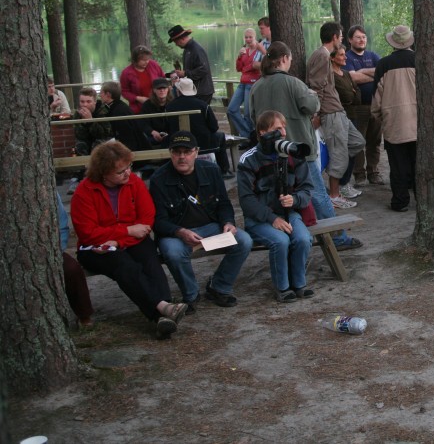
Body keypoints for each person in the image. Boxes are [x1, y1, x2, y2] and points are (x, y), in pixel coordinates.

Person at [70, 141, 188, 338]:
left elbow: (146, 221)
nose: (127, 173)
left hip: (130, 241)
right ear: (103, 173)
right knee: (124, 265)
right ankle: (162, 310)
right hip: (94, 248)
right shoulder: (84, 192)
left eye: (129, 167)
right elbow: (88, 233)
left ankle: (163, 316)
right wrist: (127, 230)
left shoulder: (134, 182)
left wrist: (119, 240)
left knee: (150, 261)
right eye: (120, 171)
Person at [149, 131, 252, 310]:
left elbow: (224, 204)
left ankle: (219, 287)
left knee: (244, 241)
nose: (182, 157)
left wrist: (228, 222)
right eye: (177, 152)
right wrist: (180, 232)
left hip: (210, 227)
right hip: (176, 233)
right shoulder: (159, 179)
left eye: (187, 152)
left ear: (196, 152)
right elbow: (158, 221)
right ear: (170, 153)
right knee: (173, 253)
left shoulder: (211, 170)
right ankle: (191, 295)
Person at [250, 41, 343, 234]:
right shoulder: (293, 83)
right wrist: (312, 94)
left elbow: (252, 117)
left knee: (279, 195)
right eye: (290, 59)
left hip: (270, 154)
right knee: (317, 193)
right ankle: (338, 236)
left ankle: (289, 232)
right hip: (298, 150)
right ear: (285, 58)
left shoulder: (257, 86)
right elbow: (312, 106)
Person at [238, 111, 316, 303]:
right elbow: (246, 200)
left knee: (303, 239)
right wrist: (272, 218)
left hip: (289, 213)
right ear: (263, 132)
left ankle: (299, 284)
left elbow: (307, 189)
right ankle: (282, 287)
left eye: (284, 128)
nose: (283, 133)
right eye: (277, 129)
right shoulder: (249, 159)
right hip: (260, 218)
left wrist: (294, 200)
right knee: (280, 241)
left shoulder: (292, 153)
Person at [307, 22, 366, 209]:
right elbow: (316, 87)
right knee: (339, 153)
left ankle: (336, 176)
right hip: (330, 113)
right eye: (340, 36)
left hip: (338, 110)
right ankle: (334, 195)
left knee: (357, 142)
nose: (341, 39)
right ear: (334, 37)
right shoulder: (321, 56)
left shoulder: (324, 55)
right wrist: (316, 113)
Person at [372, 25, 418, 212]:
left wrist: (378, 116)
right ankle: (423, 200)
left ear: (393, 42)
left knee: (397, 165)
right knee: (418, 163)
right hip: (418, 121)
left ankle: (400, 201)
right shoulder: (419, 60)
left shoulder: (383, 64)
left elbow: (377, 96)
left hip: (393, 121)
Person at [343, 25, 384, 185]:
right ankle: (359, 175)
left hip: (376, 105)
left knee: (375, 141)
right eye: (358, 37)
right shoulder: (347, 57)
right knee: (358, 142)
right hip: (358, 107)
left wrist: (362, 71)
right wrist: (373, 74)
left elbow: (383, 73)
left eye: (364, 37)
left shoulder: (373, 55)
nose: (362, 40)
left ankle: (373, 172)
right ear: (350, 40)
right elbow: (352, 78)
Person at [166, 77, 232, 177]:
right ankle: (224, 170)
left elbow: (166, 128)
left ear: (178, 91)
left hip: (177, 142)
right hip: (203, 144)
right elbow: (214, 127)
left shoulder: (169, 107)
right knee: (221, 136)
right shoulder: (203, 105)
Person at [331, 44, 363, 199]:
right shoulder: (331, 76)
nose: (345, 57)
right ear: (332, 58)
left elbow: (357, 96)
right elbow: (347, 96)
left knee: (357, 144)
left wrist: (352, 94)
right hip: (340, 116)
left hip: (352, 115)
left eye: (345, 54)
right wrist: (351, 94)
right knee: (341, 151)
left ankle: (345, 182)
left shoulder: (346, 74)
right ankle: (341, 184)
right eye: (341, 55)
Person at [58, 193, 94, 327]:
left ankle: (84, 315)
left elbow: (62, 226)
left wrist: (57, 249)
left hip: (49, 250)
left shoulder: (48, 191)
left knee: (72, 269)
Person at [227, 28, 263, 139]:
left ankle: (248, 138)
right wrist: (239, 57)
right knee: (231, 109)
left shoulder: (259, 51)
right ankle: (248, 134)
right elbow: (238, 68)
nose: (248, 39)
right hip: (242, 83)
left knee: (248, 114)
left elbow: (257, 67)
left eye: (250, 37)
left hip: (252, 84)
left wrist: (247, 68)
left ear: (255, 37)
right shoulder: (244, 51)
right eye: (246, 37)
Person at [168, 24, 215, 105]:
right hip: (195, 91)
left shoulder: (196, 49)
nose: (176, 44)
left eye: (176, 42)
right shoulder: (187, 49)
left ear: (182, 38)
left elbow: (204, 69)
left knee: (199, 113)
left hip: (202, 92)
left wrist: (185, 73)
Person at [101, 81, 151, 153]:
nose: (100, 95)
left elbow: (126, 137)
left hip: (133, 150)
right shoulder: (119, 106)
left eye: (101, 93)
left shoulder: (119, 112)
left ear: (108, 94)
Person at [120, 45, 166, 114]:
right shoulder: (126, 73)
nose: (146, 62)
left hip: (158, 104)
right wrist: (137, 98)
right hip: (139, 108)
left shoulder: (153, 65)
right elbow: (124, 91)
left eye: (147, 59)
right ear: (135, 59)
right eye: (143, 60)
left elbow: (163, 79)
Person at [73, 86, 112, 156]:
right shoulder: (78, 113)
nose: (85, 105)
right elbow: (79, 135)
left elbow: (103, 134)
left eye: (88, 101)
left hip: (102, 140)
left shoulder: (103, 111)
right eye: (82, 102)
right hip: (87, 140)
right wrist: (84, 123)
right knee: (80, 145)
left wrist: (90, 121)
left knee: (97, 145)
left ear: (95, 102)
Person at [139, 77, 173, 146]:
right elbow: (142, 123)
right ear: (154, 90)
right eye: (159, 88)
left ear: (168, 89)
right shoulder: (147, 105)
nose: (162, 90)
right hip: (153, 136)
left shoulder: (173, 103)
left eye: (164, 88)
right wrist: (152, 132)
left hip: (171, 135)